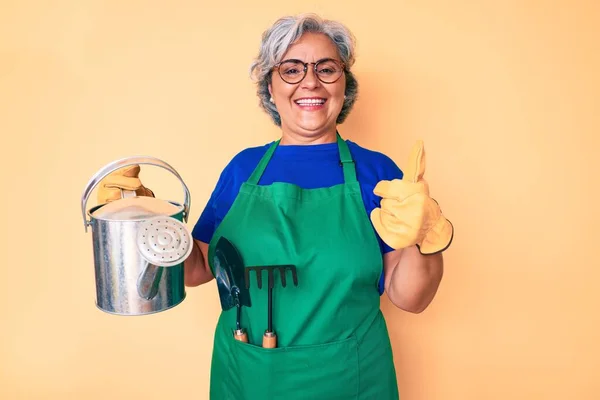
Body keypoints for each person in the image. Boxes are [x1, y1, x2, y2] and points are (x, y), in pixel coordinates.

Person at [97, 13, 453, 400]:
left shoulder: (377, 173)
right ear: (270, 85)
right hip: (249, 378)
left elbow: (411, 299)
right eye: (292, 69)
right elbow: (197, 268)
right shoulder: (243, 170)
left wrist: (425, 239)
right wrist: (145, 223)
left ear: (344, 84)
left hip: (351, 381)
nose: (311, 81)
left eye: (327, 69)